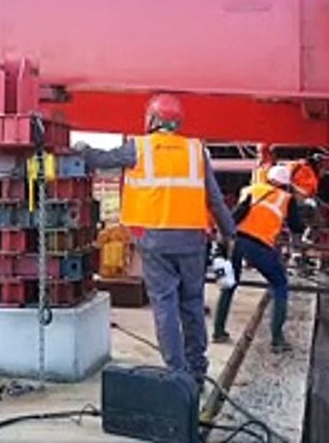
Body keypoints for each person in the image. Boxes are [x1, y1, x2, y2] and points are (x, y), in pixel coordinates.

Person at [75, 93, 236, 392]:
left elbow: (102, 160)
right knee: (192, 303)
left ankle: (178, 374)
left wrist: (82, 149)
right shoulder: (196, 150)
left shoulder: (139, 148)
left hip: (155, 241)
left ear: (151, 119)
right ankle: (198, 373)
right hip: (191, 240)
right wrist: (230, 233)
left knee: (165, 305)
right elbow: (214, 198)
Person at [212, 164, 305, 353]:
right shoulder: (286, 198)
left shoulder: (251, 190)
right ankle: (277, 340)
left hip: (237, 242)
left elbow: (236, 214)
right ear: (286, 184)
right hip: (261, 246)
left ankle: (218, 331)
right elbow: (296, 227)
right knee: (279, 285)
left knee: (230, 284)